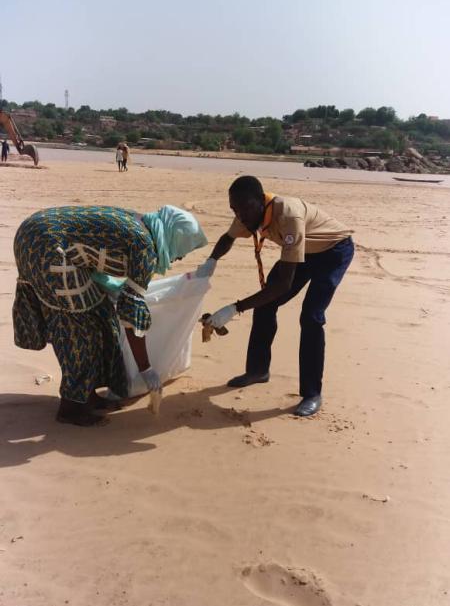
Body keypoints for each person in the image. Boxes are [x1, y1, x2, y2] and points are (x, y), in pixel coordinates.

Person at [13, 205, 207, 426]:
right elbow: (131, 317)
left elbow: (95, 254)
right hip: (45, 246)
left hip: (35, 233)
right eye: (182, 251)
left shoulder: (140, 222)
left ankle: (90, 395)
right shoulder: (144, 248)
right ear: (174, 238)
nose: (179, 258)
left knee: (102, 313)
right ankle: (71, 407)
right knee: (80, 325)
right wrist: (146, 369)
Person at [197, 176, 354, 417]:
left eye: (245, 208)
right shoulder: (247, 215)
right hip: (303, 252)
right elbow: (228, 237)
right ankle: (258, 371)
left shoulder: (288, 215)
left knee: (311, 316)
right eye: (235, 210)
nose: (240, 216)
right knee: (265, 305)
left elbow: (283, 285)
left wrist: (234, 308)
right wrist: (211, 261)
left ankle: (312, 393)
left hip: (333, 251)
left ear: (261, 201)